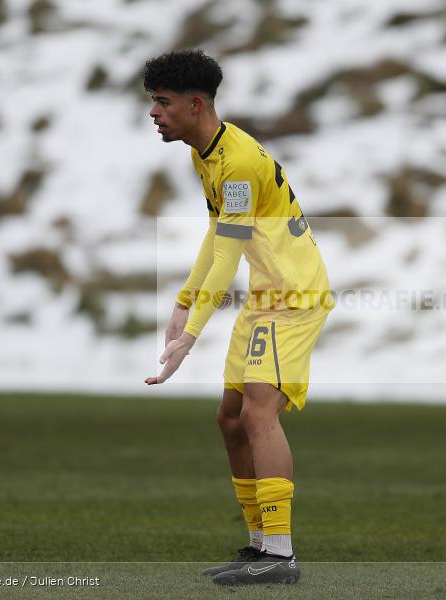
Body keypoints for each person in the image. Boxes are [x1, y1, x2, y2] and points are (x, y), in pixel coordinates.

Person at [142, 49, 331, 586]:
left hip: (291, 297)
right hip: (266, 297)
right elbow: (218, 236)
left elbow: (230, 251)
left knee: (257, 416)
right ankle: (259, 545)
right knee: (230, 419)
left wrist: (193, 333)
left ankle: (280, 555)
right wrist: (183, 302)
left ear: (194, 104)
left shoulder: (239, 161)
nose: (153, 113)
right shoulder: (207, 154)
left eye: (162, 102)